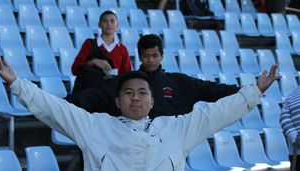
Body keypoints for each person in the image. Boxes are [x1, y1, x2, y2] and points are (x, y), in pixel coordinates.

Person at [0, 54, 278, 171]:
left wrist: (254, 92)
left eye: (142, 92)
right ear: (118, 101)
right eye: (128, 93)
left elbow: (218, 113)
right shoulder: (97, 127)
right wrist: (17, 84)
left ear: (153, 101)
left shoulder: (177, 128)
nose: (136, 98)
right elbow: (55, 109)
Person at [68, 34, 240, 119]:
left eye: (155, 55)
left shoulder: (177, 81)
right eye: (146, 56)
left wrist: (246, 91)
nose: (150, 60)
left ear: (162, 56)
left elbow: (211, 89)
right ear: (140, 57)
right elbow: (89, 98)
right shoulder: (123, 82)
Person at [71, 10, 132, 93]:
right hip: (89, 92)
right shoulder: (89, 44)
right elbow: (74, 69)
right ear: (99, 25)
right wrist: (93, 62)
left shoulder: (122, 49)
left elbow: (127, 75)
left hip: (111, 94)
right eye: (105, 21)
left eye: (112, 21)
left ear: (117, 25)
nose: (109, 24)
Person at [280, 86, 300, 171]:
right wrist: (296, 138)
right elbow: (284, 119)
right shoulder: (292, 95)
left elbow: (284, 119)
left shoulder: (291, 95)